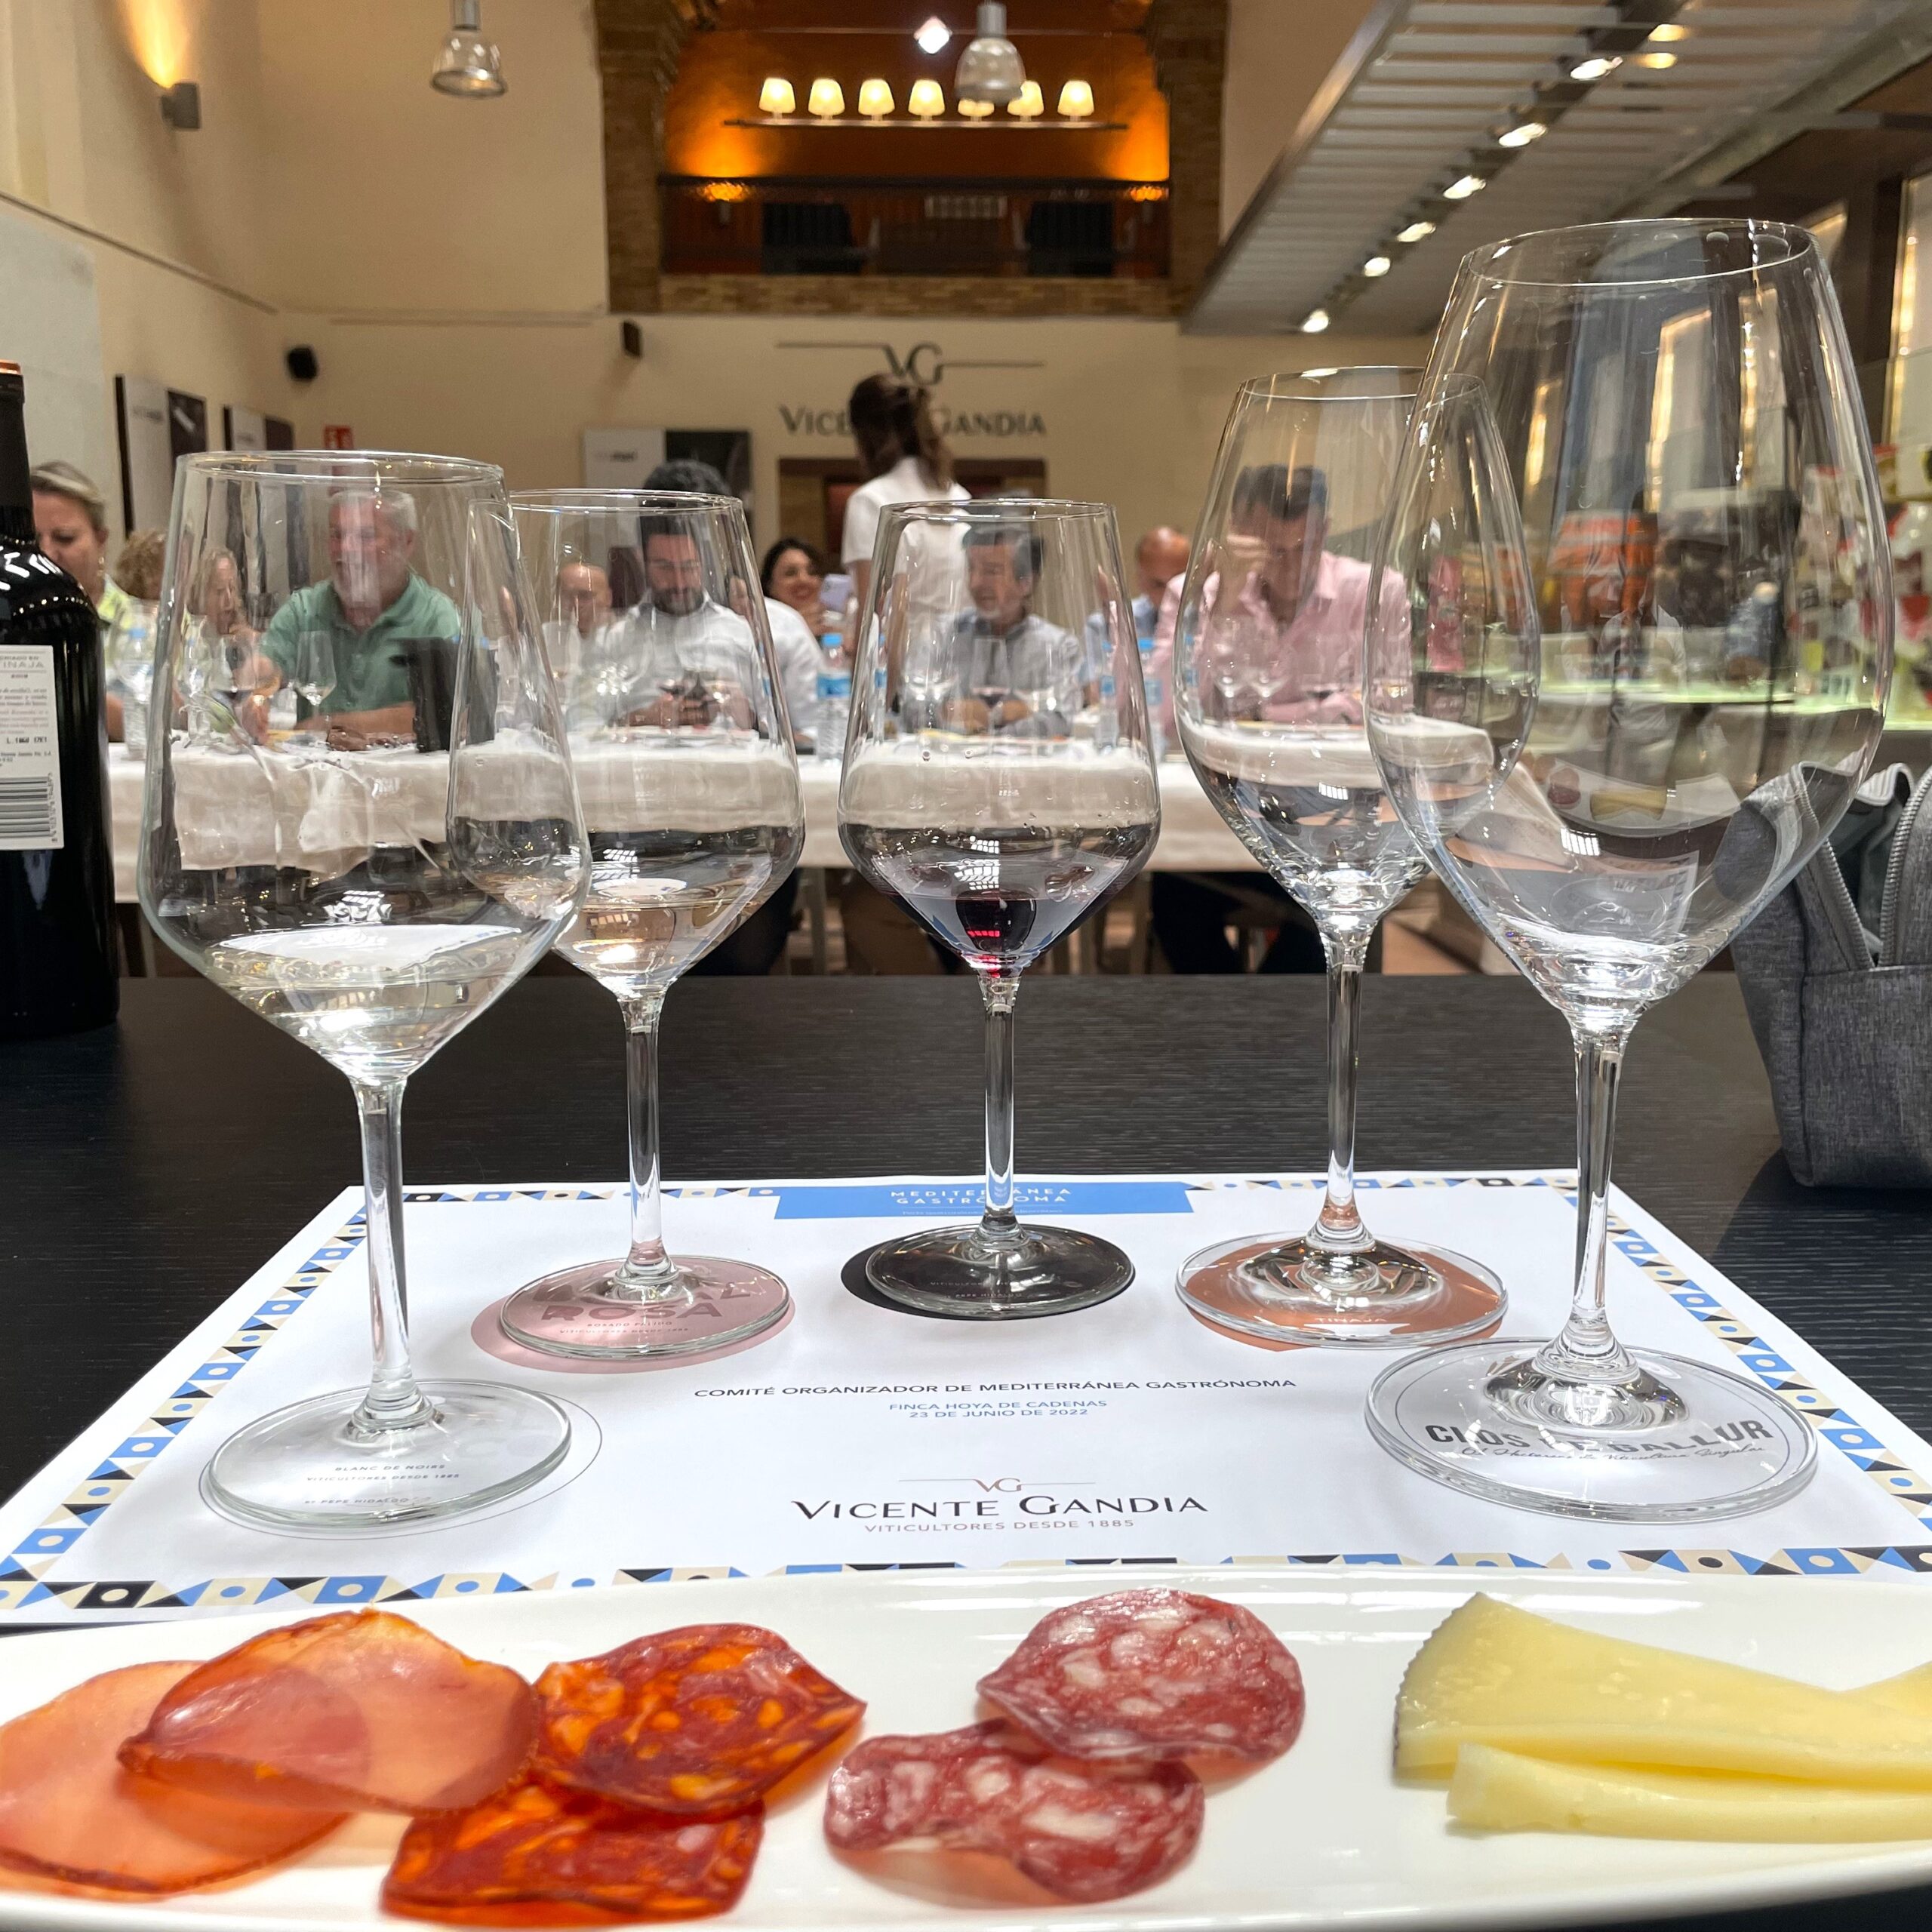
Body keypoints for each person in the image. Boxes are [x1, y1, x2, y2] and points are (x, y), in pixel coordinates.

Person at [1146, 463, 1391, 974]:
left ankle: (1274, 1015)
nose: (1290, 567)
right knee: (1173, 899)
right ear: (1237, 532)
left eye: (1304, 548)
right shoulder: (1194, 594)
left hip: (1330, 821)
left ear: (1325, 530)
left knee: (1341, 906)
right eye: (1272, 551)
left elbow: (1385, 705)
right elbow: (1167, 717)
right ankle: (1240, 1016)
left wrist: (1263, 714)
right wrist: (1225, 603)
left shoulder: (1374, 591)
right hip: (1224, 816)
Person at [255, 490, 460, 749]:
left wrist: (328, 724)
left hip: (404, 773)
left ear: (406, 542)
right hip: (316, 773)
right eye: (337, 535)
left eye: (365, 536)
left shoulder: (437, 618)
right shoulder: (305, 610)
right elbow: (266, 668)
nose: (347, 550)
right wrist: (254, 692)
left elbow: (451, 714)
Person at [932, 523, 1083, 737]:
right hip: (951, 757)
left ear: (1026, 582)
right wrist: (1011, 714)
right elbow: (912, 707)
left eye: (991, 571)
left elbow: (1061, 721)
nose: (975, 583)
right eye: (971, 569)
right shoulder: (946, 633)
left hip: (1022, 761)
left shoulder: (1059, 646)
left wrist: (991, 719)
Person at [839, 374, 968, 614]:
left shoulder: (869, 501)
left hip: (902, 639)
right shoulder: (960, 496)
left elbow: (873, 612)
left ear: (865, 435)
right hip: (961, 638)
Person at [32, 461, 128, 738]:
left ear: (101, 540)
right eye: (32, 539)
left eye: (64, 538)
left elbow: (184, 729)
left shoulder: (148, 627)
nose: (46, 553)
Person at [761, 536, 833, 638]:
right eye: (790, 573)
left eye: (812, 572)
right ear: (770, 586)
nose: (804, 579)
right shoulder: (760, 633)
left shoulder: (837, 629)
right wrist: (797, 629)